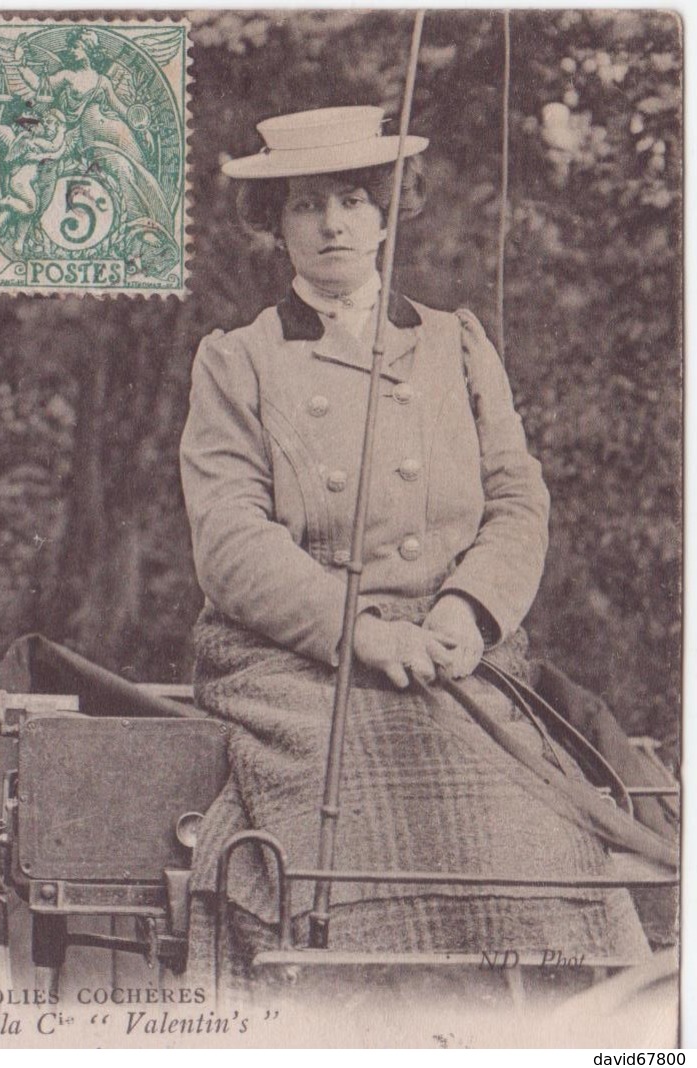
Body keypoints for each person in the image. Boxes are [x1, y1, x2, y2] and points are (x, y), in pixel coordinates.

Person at [179, 106, 649, 982]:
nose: (332, 225)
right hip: (298, 660)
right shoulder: (236, 361)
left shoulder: (456, 343)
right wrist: (356, 629)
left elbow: (516, 496)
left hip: (458, 652)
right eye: (307, 205)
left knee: (540, 829)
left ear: (387, 212)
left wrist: (470, 611)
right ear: (275, 226)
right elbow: (230, 536)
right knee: (325, 834)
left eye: (353, 200)